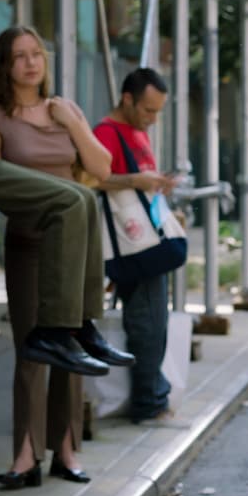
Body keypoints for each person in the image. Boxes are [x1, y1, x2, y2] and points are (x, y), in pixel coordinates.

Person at [0, 26, 133, 490]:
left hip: (73, 248)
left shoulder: (63, 110)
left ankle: (66, 451)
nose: (31, 63)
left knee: (71, 346)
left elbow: (102, 169)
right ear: (4, 66)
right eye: (19, 57)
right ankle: (26, 455)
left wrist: (71, 122)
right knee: (34, 349)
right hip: (28, 244)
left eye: (37, 54)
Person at [94, 68, 177, 423]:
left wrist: (156, 187)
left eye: (158, 111)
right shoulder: (106, 133)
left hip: (146, 240)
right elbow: (93, 179)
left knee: (155, 321)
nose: (153, 119)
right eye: (148, 110)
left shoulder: (136, 132)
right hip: (130, 245)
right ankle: (148, 402)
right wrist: (137, 180)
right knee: (145, 322)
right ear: (127, 99)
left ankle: (153, 396)